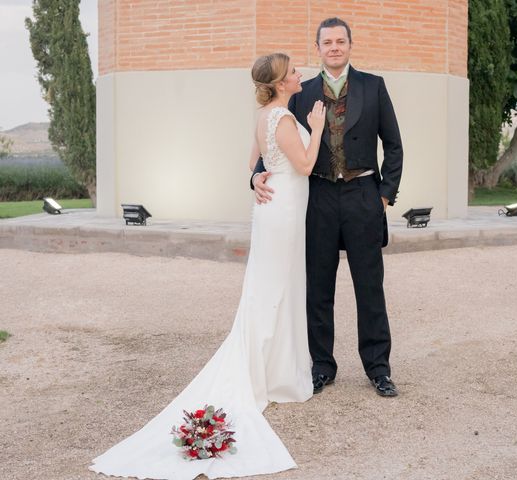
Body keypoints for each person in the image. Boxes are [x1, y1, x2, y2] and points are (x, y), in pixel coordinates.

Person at [89, 53, 326, 480]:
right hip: (284, 211)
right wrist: (320, 124)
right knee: (277, 289)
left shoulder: (264, 116)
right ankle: (273, 376)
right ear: (278, 83)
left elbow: (253, 162)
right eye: (292, 72)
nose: (299, 75)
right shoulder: (285, 120)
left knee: (271, 288)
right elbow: (305, 165)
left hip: (274, 211)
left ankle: (275, 370)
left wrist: (256, 177)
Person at [252, 17, 403, 397]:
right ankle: (321, 366)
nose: (334, 47)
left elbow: (394, 145)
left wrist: (384, 195)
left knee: (370, 286)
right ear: (318, 48)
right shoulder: (299, 91)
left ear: (350, 45)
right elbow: (273, 139)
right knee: (317, 286)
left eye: (341, 41)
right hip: (316, 198)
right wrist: (255, 175)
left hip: (363, 195)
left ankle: (378, 368)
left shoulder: (374, 86)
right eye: (327, 42)